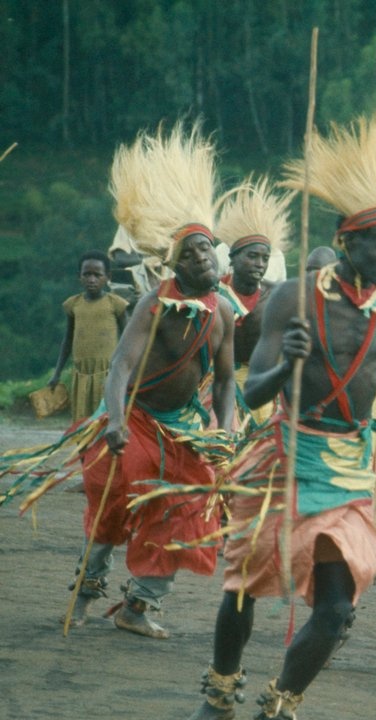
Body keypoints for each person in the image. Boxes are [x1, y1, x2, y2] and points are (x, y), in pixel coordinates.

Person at [172, 116, 376, 720]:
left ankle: (279, 711)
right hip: (284, 458)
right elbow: (245, 388)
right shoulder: (293, 297)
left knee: (339, 610)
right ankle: (220, 691)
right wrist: (286, 358)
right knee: (244, 590)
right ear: (348, 241)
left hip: (349, 466)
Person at [64, 127, 237, 636]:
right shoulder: (152, 304)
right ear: (173, 262)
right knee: (113, 505)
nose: (201, 258)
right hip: (134, 421)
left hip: (182, 427)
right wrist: (114, 420)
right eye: (190, 253)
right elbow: (120, 366)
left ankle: (140, 605)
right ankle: (86, 588)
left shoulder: (222, 311)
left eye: (206, 249)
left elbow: (225, 382)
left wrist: (222, 430)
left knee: (186, 507)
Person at [213, 177, 291, 428]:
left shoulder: (274, 295)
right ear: (233, 258)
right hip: (218, 383)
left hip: (261, 384)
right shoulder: (215, 295)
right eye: (252, 256)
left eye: (264, 257)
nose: (259, 263)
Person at [49, 251, 129, 420]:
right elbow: (68, 339)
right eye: (87, 274)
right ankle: (84, 446)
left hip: (109, 374)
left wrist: (129, 371)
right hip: (81, 374)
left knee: (105, 419)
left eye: (97, 275)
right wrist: (57, 373)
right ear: (79, 276)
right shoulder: (74, 305)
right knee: (82, 420)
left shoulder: (116, 304)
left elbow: (129, 339)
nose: (92, 279)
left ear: (108, 276)